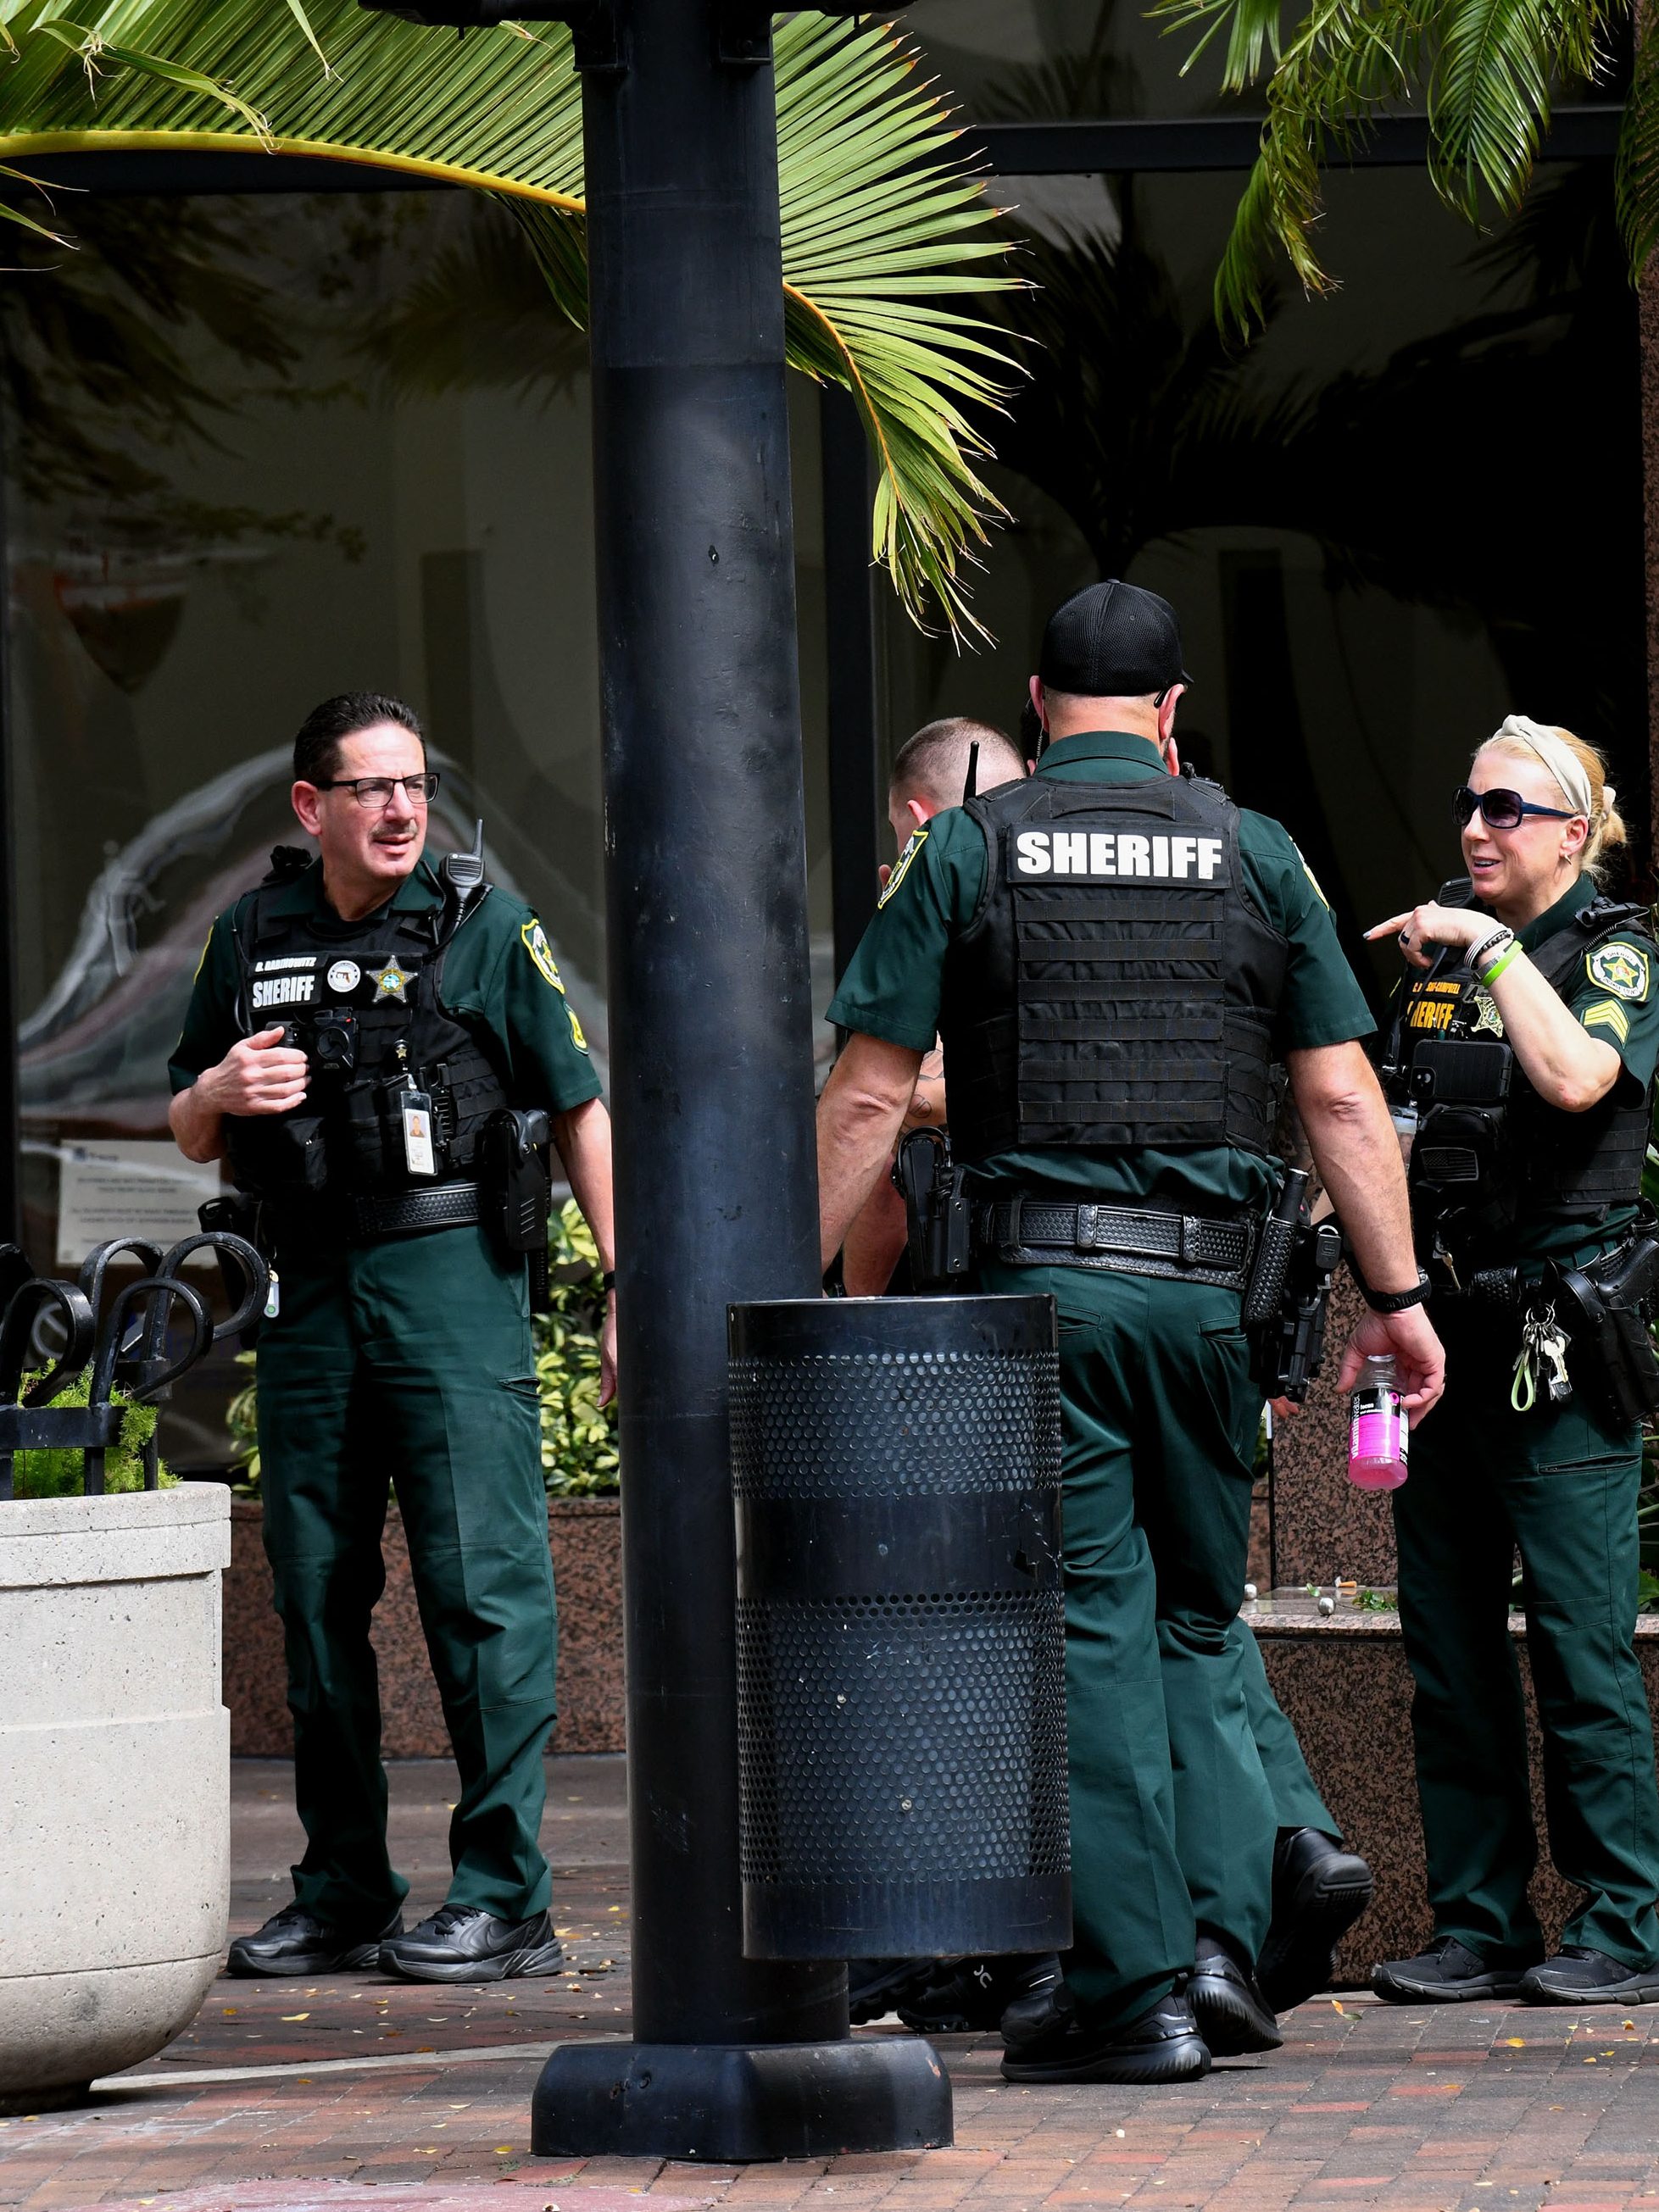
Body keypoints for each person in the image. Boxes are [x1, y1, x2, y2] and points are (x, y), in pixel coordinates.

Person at [817, 579, 1443, 2085]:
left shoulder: (968, 845)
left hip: (1046, 1305)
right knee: (1196, 1614)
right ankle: (1223, 1954)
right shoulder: (1257, 851)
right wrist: (1399, 1299)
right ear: (1170, 712)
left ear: (1035, 704)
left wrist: (782, 1285)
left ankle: (1134, 1989)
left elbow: (862, 1095)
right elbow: (1344, 1097)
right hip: (1209, 1312)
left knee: (1092, 1622)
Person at [170, 692, 615, 1985]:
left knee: (481, 1591)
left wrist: (622, 1293)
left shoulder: (484, 928)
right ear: (311, 807)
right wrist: (215, 1091)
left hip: (449, 1279)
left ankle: (504, 1895)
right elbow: (192, 1120)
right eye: (370, 788)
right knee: (313, 1598)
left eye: (414, 784)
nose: (401, 809)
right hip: (305, 1292)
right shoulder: (249, 935)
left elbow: (580, 1107)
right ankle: (344, 1885)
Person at [1366, 715, 1659, 2007]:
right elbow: (1378, 1119)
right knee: (1446, 1645)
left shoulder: (1619, 953)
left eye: (1508, 807)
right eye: (1468, 802)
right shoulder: (1431, 951)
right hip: (1438, 1335)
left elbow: (1577, 1076)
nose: (1476, 826)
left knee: (1579, 1647)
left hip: (1555, 1340)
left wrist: (1489, 949)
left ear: (1576, 833)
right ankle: (1479, 1918)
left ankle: (1630, 1921)